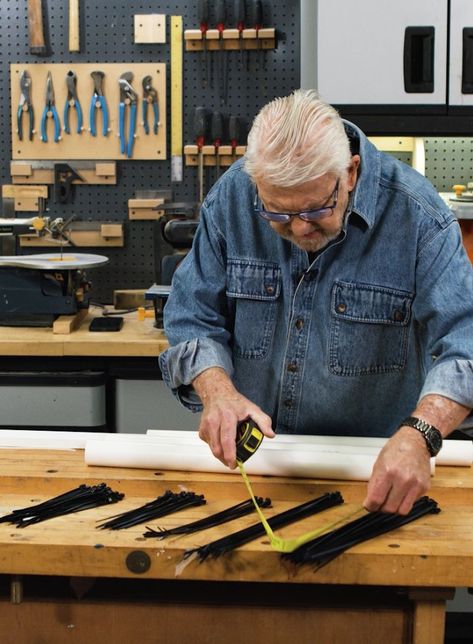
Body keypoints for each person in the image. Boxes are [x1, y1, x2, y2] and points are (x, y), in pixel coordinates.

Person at [159, 89, 473, 515]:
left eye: (315, 210)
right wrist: (218, 393)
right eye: (278, 215)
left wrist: (420, 435)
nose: (299, 229)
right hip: (254, 470)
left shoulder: (419, 219)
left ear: (350, 172)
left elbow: (465, 346)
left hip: (376, 474)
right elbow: (192, 315)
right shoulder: (231, 198)